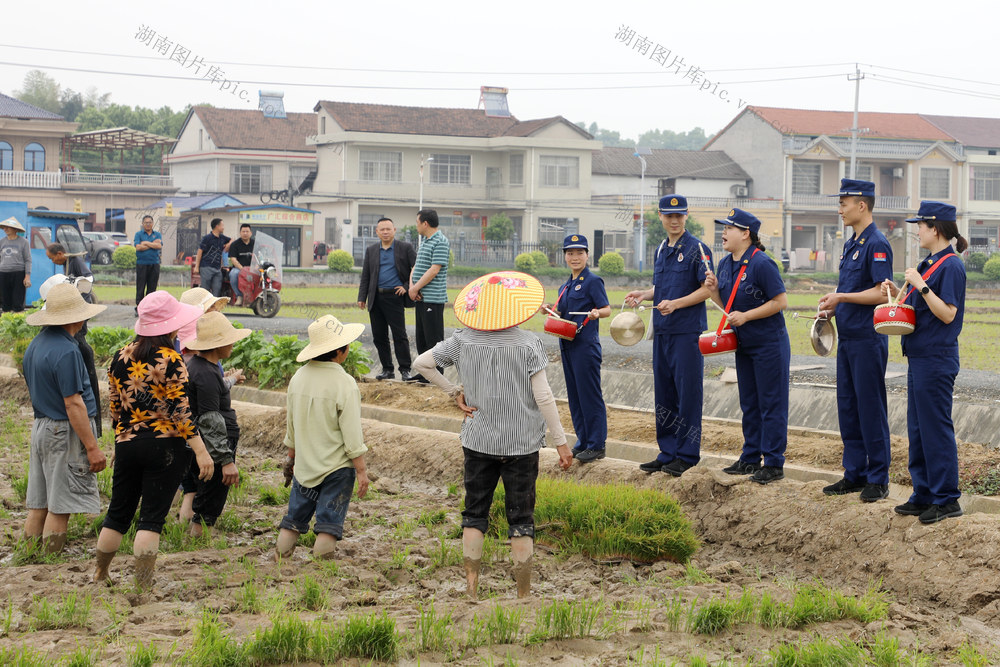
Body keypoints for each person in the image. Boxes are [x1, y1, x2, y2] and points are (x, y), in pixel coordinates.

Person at [412, 271, 572, 598]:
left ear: (478, 309)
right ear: (515, 308)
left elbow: (421, 363)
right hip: (522, 443)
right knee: (521, 517)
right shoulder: (529, 343)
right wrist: (561, 442)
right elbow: (543, 397)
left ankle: (471, 589)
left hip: (478, 440)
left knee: (474, 514)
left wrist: (453, 390)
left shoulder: (463, 340)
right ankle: (523, 594)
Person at [93, 291, 215, 589]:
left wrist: (121, 438)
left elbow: (113, 407)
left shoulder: (120, 356)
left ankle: (99, 574)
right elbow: (181, 413)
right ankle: (142, 586)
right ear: (172, 326)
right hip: (166, 447)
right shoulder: (172, 360)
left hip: (127, 442)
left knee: (117, 514)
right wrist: (201, 452)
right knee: (151, 519)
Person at [881, 201, 967, 524]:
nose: (916, 231)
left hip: (937, 357)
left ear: (936, 228)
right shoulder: (928, 262)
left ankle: (947, 499)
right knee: (917, 427)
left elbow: (947, 313)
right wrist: (897, 291)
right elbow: (915, 308)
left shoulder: (951, 266)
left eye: (920, 225)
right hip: (918, 356)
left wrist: (921, 285)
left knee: (935, 427)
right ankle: (923, 492)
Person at [816, 179, 894, 502]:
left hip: (867, 338)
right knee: (848, 407)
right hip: (847, 338)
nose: (840, 209)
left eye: (844, 203)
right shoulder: (851, 244)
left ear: (862, 205)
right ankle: (854, 473)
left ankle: (878, 477)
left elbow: (883, 291)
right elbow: (850, 291)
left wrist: (842, 296)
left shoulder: (877, 243)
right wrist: (833, 308)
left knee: (869, 406)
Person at [625, 196, 713, 476]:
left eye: (679, 216)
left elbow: (707, 289)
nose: (674, 221)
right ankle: (668, 451)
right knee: (665, 393)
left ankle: (687, 455)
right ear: (660, 217)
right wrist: (644, 294)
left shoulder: (698, 248)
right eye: (668, 216)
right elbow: (661, 287)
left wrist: (676, 304)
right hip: (662, 331)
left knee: (687, 394)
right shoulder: (662, 248)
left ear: (687, 216)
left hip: (686, 331)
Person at [704, 208, 790, 485]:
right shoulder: (725, 263)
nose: (723, 233)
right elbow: (725, 304)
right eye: (723, 228)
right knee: (750, 403)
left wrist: (748, 316)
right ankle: (750, 457)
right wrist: (713, 289)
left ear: (745, 234)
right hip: (744, 343)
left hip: (769, 343)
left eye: (729, 228)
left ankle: (774, 462)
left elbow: (780, 302)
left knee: (771, 403)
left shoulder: (762, 263)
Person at [22, 283, 107, 553]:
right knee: (61, 505)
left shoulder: (36, 345)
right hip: (63, 431)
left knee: (40, 503)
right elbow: (73, 403)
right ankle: (50, 558)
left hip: (41, 426)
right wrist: (92, 447)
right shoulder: (68, 351)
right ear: (78, 317)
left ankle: (28, 555)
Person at [276, 315, 370, 560]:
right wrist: (361, 470)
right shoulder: (344, 383)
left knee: (294, 519)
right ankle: (320, 570)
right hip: (336, 469)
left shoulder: (298, 378)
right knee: (328, 524)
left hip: (305, 466)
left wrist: (292, 457)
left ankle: (279, 559)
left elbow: (292, 424)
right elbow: (351, 433)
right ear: (340, 351)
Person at [540, 234, 610, 463]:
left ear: (588, 255)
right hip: (567, 345)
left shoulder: (592, 281)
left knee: (589, 395)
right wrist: (550, 310)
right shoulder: (565, 285)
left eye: (580, 252)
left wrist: (597, 313)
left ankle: (597, 444)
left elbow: (606, 308)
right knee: (575, 395)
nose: (575, 257)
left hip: (585, 346)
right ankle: (583, 440)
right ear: (565, 257)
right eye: (570, 253)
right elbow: (562, 314)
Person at [182, 312, 252, 536]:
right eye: (228, 340)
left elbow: (212, 392)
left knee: (203, 494)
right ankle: (198, 548)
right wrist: (225, 460)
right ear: (216, 344)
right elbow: (210, 419)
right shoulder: (206, 374)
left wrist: (231, 380)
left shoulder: (200, 367)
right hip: (215, 445)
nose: (232, 344)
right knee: (209, 501)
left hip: (204, 444)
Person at [46, 242, 102, 437]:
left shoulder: (60, 346)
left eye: (52, 257)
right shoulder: (71, 348)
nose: (52, 260)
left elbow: (88, 279)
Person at [358, 217, 416, 381]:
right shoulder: (372, 250)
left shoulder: (405, 248)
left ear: (394, 230)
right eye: (382, 229)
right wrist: (362, 297)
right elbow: (366, 275)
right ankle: (387, 369)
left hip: (395, 297)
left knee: (400, 335)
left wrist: (406, 286)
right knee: (379, 336)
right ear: (377, 232)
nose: (385, 232)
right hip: (375, 297)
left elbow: (417, 268)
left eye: (388, 229)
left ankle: (405, 370)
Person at [408, 209, 450, 382]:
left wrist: (416, 287)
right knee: (422, 337)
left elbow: (434, 269)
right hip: (420, 297)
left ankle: (436, 374)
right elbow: (417, 267)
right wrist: (412, 287)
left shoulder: (440, 241)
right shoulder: (425, 241)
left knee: (433, 339)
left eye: (417, 222)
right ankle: (425, 371)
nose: (416, 226)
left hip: (433, 298)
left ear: (425, 223)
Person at [193, 218, 230, 297]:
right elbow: (200, 251)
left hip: (217, 269)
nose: (223, 227)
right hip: (206, 267)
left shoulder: (222, 238)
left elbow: (232, 240)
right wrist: (196, 266)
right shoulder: (207, 238)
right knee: (205, 290)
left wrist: (227, 246)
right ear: (217, 226)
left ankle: (214, 307)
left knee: (217, 289)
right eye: (222, 225)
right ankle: (204, 307)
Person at [0, 217, 30, 313]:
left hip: (18, 274)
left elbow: (28, 259)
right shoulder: (1, 241)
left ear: (15, 229)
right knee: (5, 302)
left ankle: (17, 323)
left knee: (18, 302)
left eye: (8, 227)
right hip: (3, 273)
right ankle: (5, 324)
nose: (5, 229)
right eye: (4, 227)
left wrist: (27, 277)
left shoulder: (23, 242)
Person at [134, 215, 163, 307]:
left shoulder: (157, 234)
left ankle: (150, 307)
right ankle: (139, 307)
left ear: (152, 223)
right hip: (142, 264)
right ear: (143, 224)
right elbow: (138, 247)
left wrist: (145, 243)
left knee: (152, 287)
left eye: (150, 222)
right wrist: (152, 244)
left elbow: (159, 246)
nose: (148, 224)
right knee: (140, 286)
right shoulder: (138, 234)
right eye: (146, 223)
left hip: (154, 264)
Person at [228, 223, 255, 306]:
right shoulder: (235, 244)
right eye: (243, 231)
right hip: (239, 268)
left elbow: (260, 256)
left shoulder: (255, 243)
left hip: (253, 268)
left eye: (247, 231)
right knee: (233, 274)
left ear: (251, 233)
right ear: (240, 233)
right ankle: (239, 295)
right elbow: (233, 259)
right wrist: (242, 269)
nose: (245, 233)